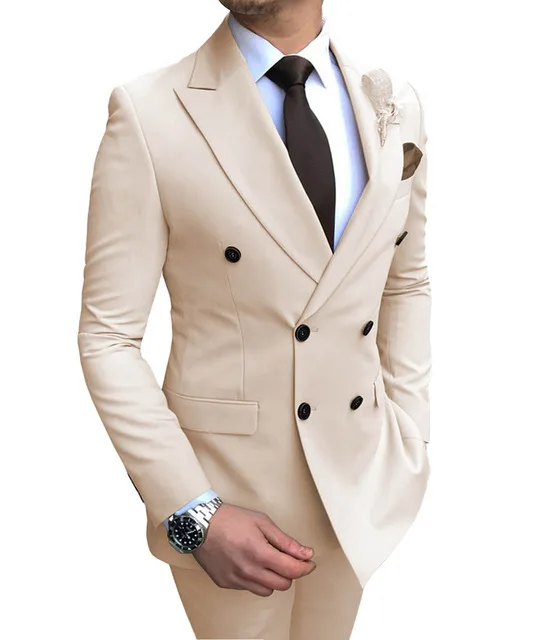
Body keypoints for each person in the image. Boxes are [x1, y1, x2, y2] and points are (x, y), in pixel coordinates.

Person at [77, 1, 431, 638]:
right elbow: (108, 336)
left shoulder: (393, 101)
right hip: (228, 497)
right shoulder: (150, 111)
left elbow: (404, 280)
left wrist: (410, 436)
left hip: (359, 484)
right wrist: (192, 513)